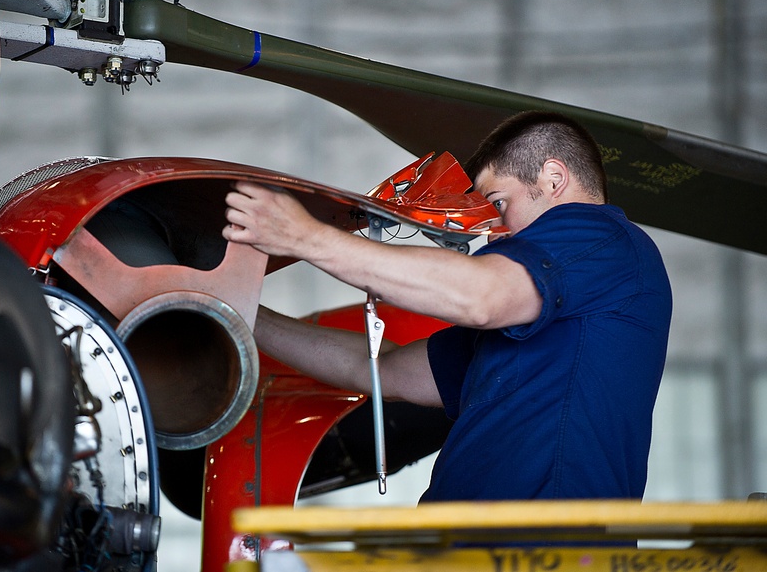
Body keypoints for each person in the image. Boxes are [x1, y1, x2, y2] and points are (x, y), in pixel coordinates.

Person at [222, 110, 671, 501]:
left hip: (536, 552)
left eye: (500, 203)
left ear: (554, 179)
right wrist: (237, 310)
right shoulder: (540, 309)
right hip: (466, 546)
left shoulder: (599, 238)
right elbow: (382, 368)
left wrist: (305, 236)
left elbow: (481, 296)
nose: (495, 231)